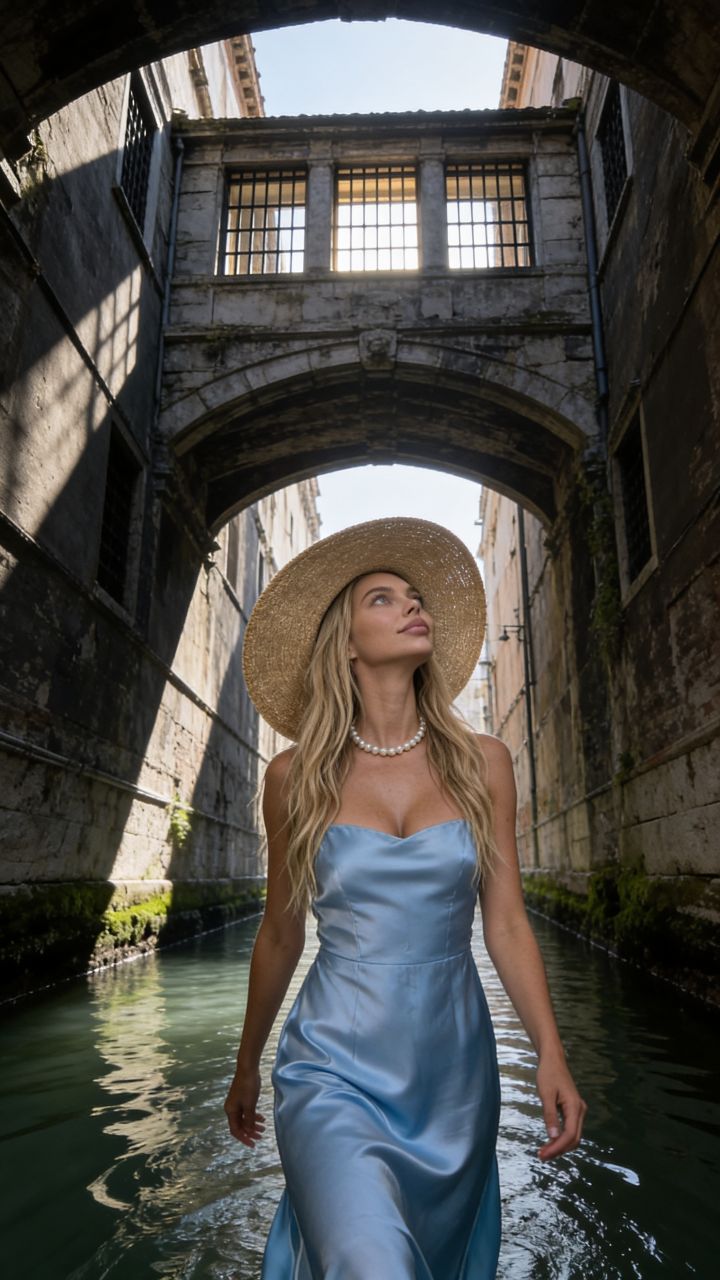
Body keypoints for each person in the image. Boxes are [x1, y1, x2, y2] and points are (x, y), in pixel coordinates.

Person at [224, 516, 587, 1279]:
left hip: (453, 1074)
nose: (413, 605)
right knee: (370, 1260)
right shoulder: (293, 779)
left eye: (415, 596)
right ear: (347, 643)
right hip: (330, 1068)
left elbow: (509, 924)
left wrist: (551, 1053)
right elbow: (282, 934)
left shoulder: (483, 761)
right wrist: (248, 1062)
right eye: (384, 599)